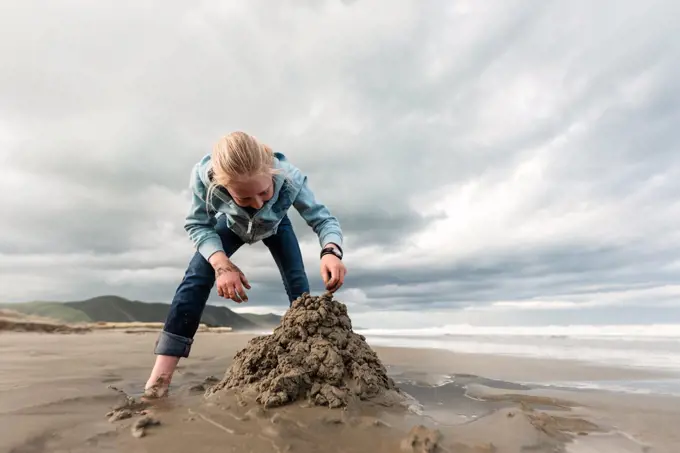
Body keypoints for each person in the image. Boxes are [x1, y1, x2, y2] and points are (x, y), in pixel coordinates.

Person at [144, 131, 346, 397]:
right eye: (244, 199)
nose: (257, 204)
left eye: (264, 192)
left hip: (276, 226)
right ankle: (159, 380)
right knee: (195, 277)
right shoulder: (205, 178)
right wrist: (222, 265)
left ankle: (310, 362)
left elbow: (323, 220)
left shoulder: (290, 177)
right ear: (222, 186)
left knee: (299, 287)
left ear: (273, 173)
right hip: (230, 227)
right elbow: (197, 224)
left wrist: (331, 251)